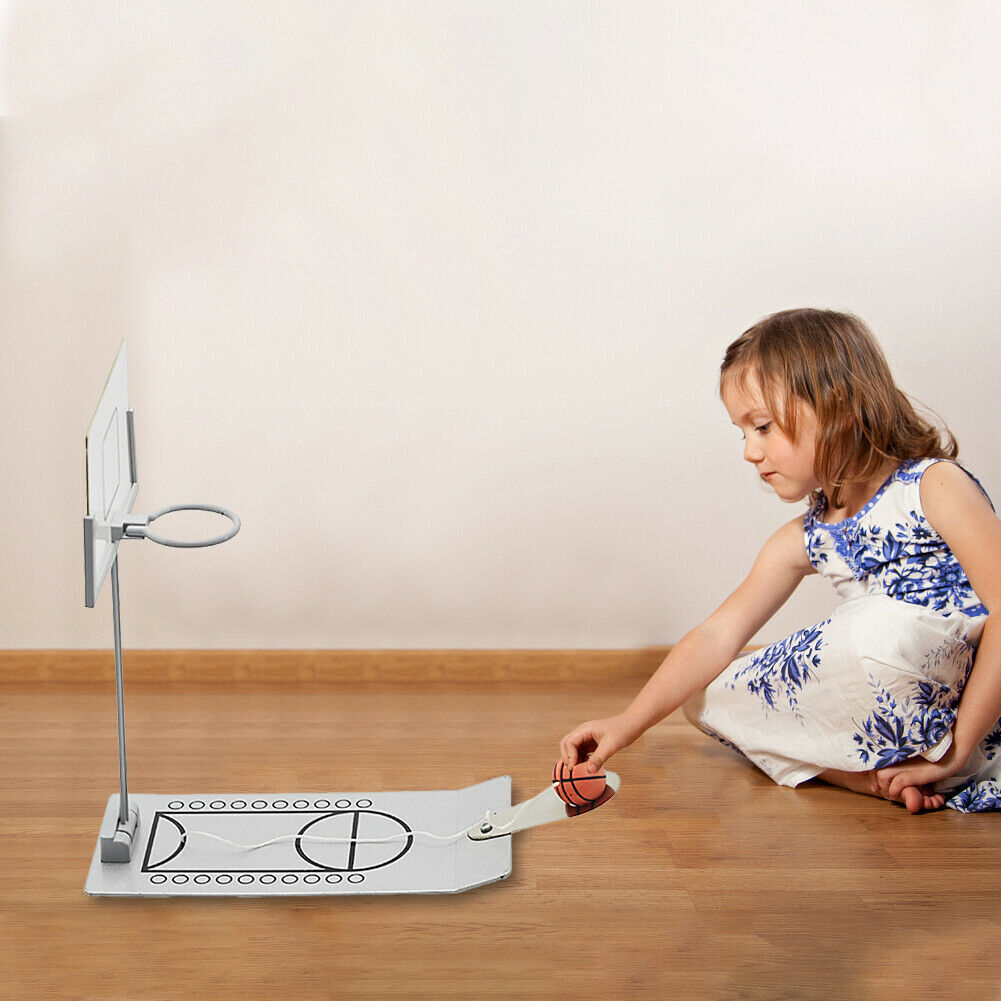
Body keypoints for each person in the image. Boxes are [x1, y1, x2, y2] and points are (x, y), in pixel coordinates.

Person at [559, 308, 1001, 815]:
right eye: (743, 432)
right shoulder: (803, 538)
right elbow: (717, 635)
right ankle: (867, 778)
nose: (750, 452)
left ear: (839, 408)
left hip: (975, 715)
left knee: (873, 634)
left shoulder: (934, 485)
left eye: (763, 427)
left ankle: (943, 763)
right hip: (897, 712)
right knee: (701, 696)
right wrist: (627, 723)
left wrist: (960, 745)